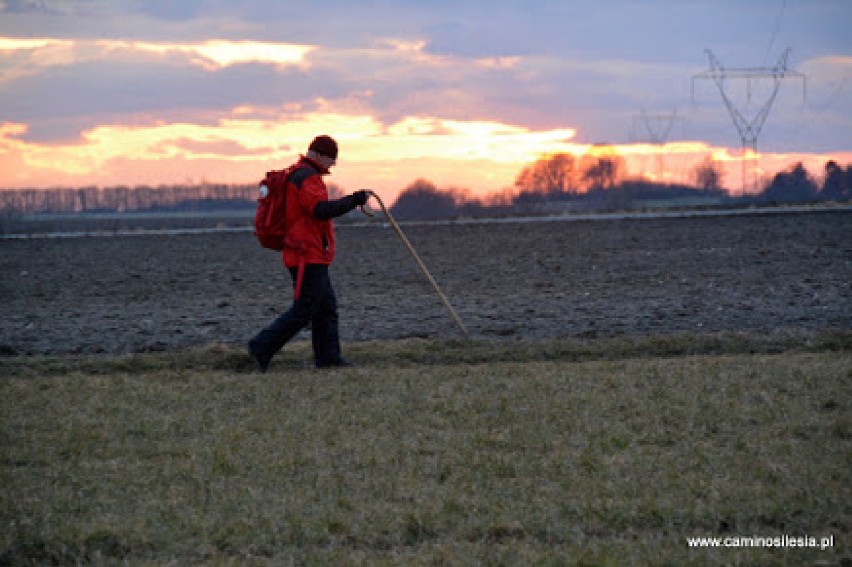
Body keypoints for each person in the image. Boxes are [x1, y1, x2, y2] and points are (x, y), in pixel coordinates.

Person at [248, 135, 368, 371]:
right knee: (305, 310)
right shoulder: (308, 178)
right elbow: (320, 210)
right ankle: (261, 346)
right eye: (331, 160)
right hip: (306, 255)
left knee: (326, 307)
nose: (332, 166)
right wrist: (354, 200)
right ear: (321, 156)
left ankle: (328, 358)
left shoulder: (297, 174)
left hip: (305, 253)